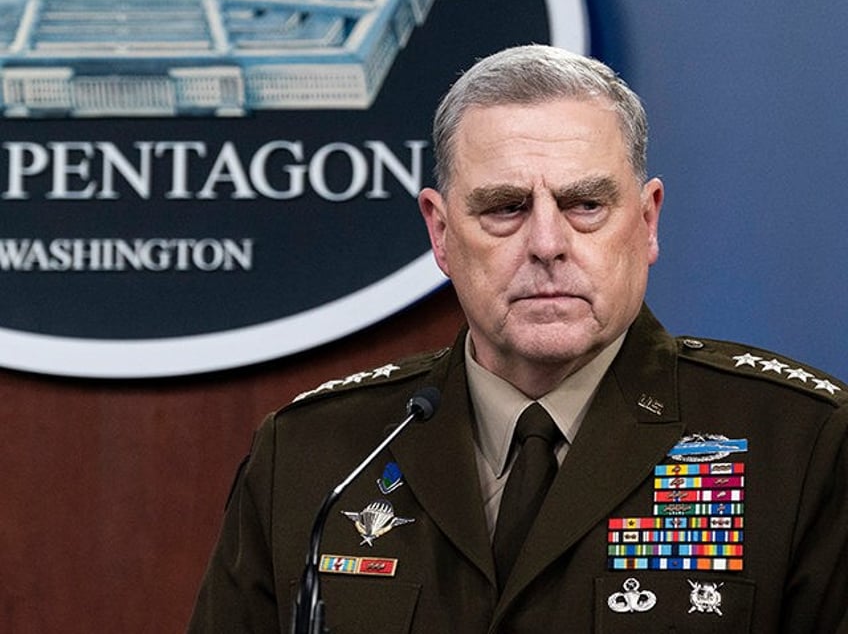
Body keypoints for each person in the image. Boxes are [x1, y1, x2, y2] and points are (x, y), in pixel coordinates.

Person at [187, 45, 847, 633]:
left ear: (647, 222)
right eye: (505, 208)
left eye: (585, 204)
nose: (548, 244)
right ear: (441, 233)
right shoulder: (312, 458)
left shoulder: (804, 447)